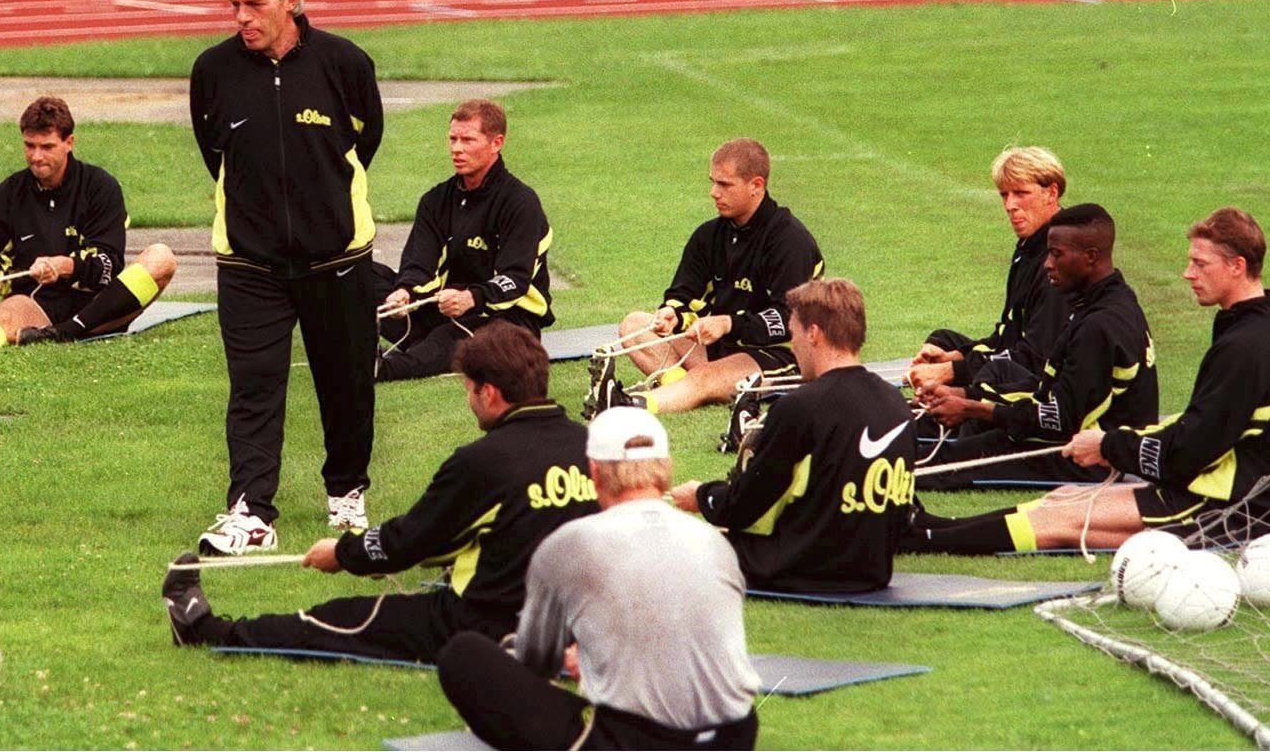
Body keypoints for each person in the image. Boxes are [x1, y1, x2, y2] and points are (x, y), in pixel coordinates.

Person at [162, 321, 597, 662]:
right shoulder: (590, 445)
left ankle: (205, 631)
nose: (469, 401)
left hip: (486, 624)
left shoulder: (481, 462)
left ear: (490, 392)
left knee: (344, 620)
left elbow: (409, 543)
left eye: (469, 389)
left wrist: (343, 554)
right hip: (575, 625)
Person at [905, 208, 1270, 554]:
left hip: (1228, 506)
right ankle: (930, 529)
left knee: (1060, 517)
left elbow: (1191, 449)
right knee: (1062, 501)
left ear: (1237, 267)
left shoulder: (1243, 347)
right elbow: (1200, 426)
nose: (1188, 273)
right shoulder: (1247, 328)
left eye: (1199, 263)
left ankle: (925, 538)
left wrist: (1108, 446)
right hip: (1225, 490)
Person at [188, 0, 385, 549]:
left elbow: (363, 141)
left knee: (346, 382)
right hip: (250, 263)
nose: (241, 17)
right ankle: (251, 513)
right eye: (234, 5)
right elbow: (215, 153)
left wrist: (321, 203)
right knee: (253, 386)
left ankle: (347, 493)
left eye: (254, 3)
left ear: (293, 1)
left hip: (340, 261)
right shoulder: (212, 72)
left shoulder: (345, 64)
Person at [435, 406, 760, 750]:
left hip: (638, 741)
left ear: (594, 471)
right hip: (734, 735)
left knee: (463, 654)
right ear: (665, 469)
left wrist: (584, 661)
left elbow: (537, 658)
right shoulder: (714, 542)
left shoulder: (569, 544)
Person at [671, 278, 916, 592]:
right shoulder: (896, 402)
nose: (793, 344)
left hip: (802, 565)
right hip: (874, 569)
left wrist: (703, 496)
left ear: (813, 334)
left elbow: (747, 506)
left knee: (671, 544)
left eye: (794, 332)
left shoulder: (800, 408)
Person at [913, 204, 1158, 489]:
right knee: (990, 387)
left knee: (942, 465)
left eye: (1056, 254)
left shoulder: (1099, 326)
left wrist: (973, 406)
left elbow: (1058, 421)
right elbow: (1055, 392)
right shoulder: (1108, 300)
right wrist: (970, 398)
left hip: (1087, 459)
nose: (1047, 264)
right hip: (1072, 435)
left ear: (1090, 257)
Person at [586, 138, 823, 418]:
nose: (713, 193)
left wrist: (727, 323)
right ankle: (681, 388)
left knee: (705, 377)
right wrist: (671, 313)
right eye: (713, 182)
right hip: (720, 347)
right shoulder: (708, 236)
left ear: (756, 186)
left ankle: (628, 406)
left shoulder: (789, 240)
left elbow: (788, 321)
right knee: (634, 324)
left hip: (781, 355)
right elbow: (683, 294)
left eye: (725, 185)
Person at [0, 95, 177, 351]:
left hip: (105, 304)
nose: (36, 156)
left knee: (161, 257)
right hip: (39, 302)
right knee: (4, 318)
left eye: (47, 147)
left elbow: (109, 264)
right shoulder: (5, 195)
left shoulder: (100, 186)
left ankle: (64, 332)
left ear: (69, 142)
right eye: (30, 146)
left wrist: (65, 266)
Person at [376, 98, 554, 382]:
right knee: (361, 276)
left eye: (468, 140)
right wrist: (404, 291)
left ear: (497, 143)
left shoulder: (521, 202)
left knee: (451, 338)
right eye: (453, 139)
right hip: (447, 309)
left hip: (507, 320)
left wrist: (472, 297)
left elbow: (515, 279)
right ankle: (367, 345)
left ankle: (381, 369)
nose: (456, 149)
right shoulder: (435, 200)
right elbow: (418, 263)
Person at [908, 146, 1069, 397]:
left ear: (1051, 192)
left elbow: (1034, 358)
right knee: (942, 340)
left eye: (1021, 193)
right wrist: (956, 356)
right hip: (1024, 360)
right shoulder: (1030, 246)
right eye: (1004, 195)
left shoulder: (1059, 260)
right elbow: (1008, 332)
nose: (1010, 205)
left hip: (1044, 385)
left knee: (969, 392)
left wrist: (953, 371)